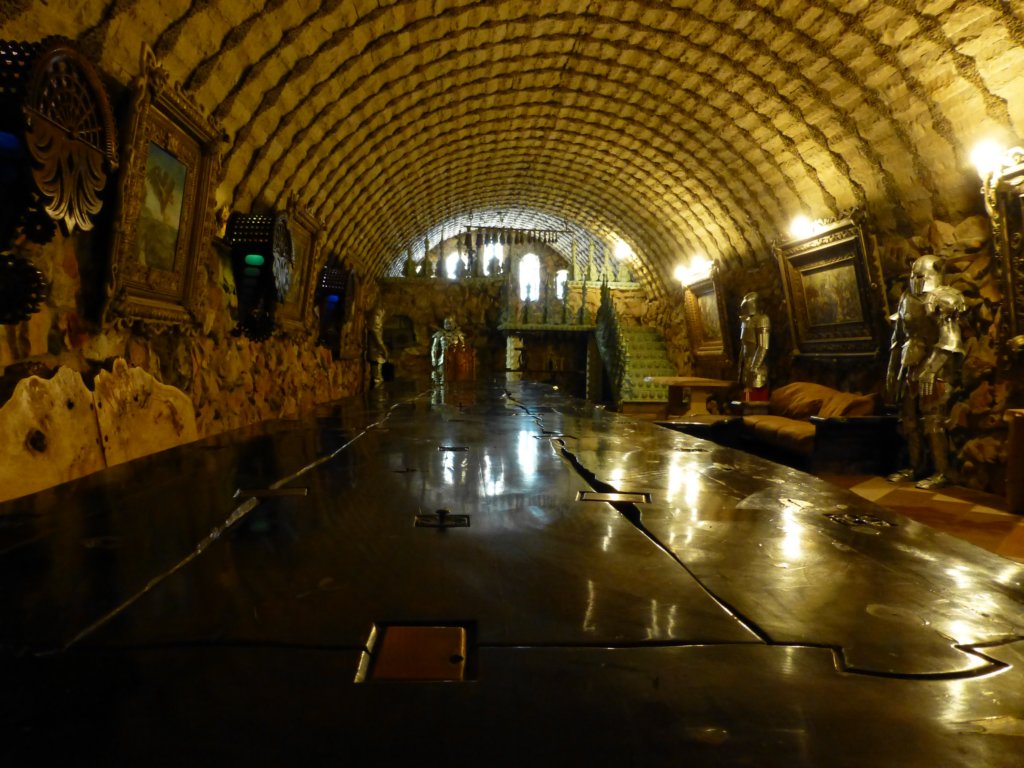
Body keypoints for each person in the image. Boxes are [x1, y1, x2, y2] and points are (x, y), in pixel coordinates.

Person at [885, 254, 966, 489]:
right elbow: (898, 338)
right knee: (909, 421)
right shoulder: (906, 299)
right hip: (910, 364)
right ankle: (916, 466)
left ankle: (941, 471)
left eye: (920, 276)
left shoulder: (943, 298)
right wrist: (892, 370)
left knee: (933, 421)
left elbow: (950, 341)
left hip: (936, 367)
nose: (916, 281)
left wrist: (930, 370)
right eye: (913, 276)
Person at [737, 291, 770, 399]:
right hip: (746, 365)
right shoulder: (745, 321)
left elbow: (763, 346)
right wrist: (741, 367)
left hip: (757, 369)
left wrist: (754, 368)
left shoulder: (762, 319)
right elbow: (743, 346)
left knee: (756, 400)